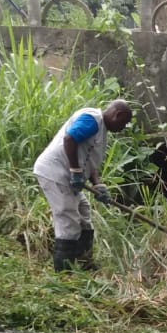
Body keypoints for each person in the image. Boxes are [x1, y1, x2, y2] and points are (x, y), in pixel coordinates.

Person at [32, 99, 132, 271]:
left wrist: (98, 186)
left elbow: (90, 162)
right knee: (68, 219)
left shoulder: (101, 130)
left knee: (84, 211)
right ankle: (64, 274)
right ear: (118, 115)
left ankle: (84, 263)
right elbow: (70, 139)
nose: (123, 129)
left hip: (68, 177)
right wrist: (75, 170)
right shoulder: (92, 119)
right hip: (54, 172)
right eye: (124, 123)